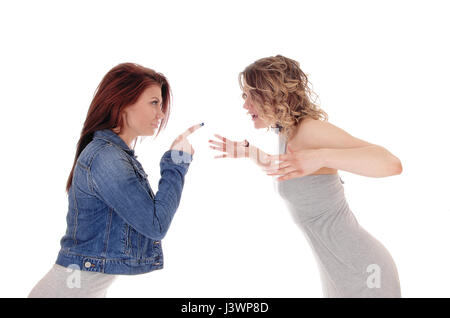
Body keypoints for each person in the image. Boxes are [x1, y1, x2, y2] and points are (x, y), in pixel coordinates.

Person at [208, 55, 402, 297]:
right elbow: (290, 170)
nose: (245, 105)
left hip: (364, 270)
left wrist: (322, 157)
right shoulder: (287, 133)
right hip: (337, 272)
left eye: (250, 95)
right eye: (244, 96)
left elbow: (391, 164)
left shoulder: (310, 131)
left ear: (272, 93)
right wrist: (251, 153)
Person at [28, 63, 202, 298]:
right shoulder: (106, 158)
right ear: (123, 103)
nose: (160, 115)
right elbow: (155, 224)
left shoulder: (113, 155)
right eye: (154, 103)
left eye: (161, 105)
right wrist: (176, 166)